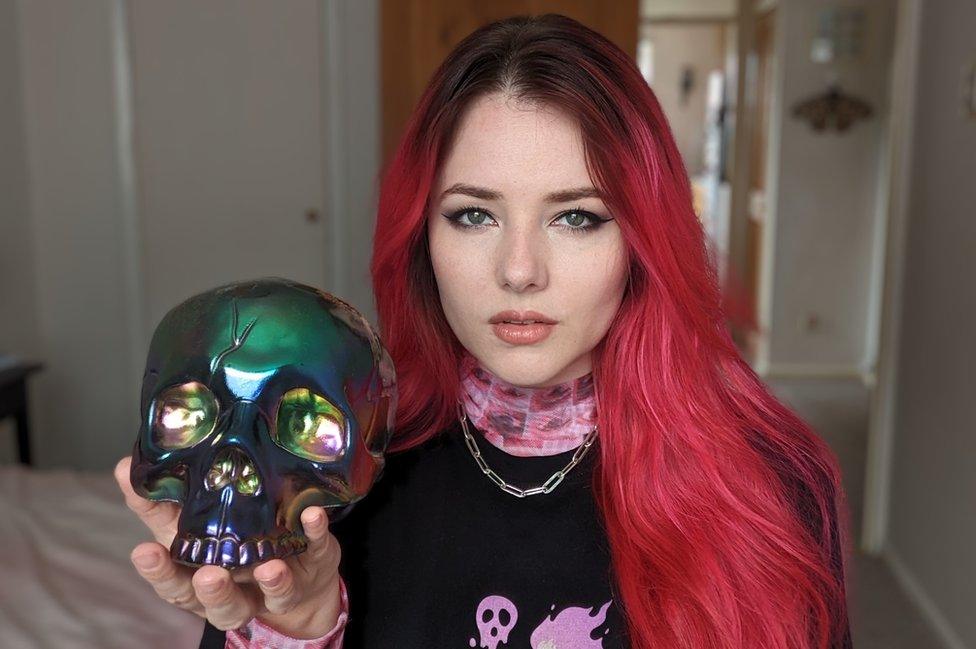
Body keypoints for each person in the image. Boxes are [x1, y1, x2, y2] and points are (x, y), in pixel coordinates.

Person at [115, 14, 853, 649]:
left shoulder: (774, 487)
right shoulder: (327, 470)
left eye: (577, 216)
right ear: (420, 236)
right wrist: (300, 625)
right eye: (474, 214)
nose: (520, 269)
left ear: (643, 241)